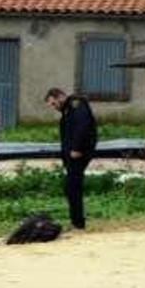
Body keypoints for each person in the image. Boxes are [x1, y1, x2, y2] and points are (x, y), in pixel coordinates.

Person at [45, 88, 98, 229]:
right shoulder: (68, 109)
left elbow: (83, 126)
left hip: (78, 153)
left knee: (73, 186)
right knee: (71, 187)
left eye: (54, 103)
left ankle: (78, 222)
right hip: (71, 154)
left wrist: (76, 148)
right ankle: (76, 221)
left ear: (60, 97)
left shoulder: (76, 104)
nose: (54, 107)